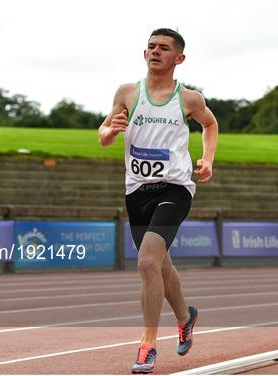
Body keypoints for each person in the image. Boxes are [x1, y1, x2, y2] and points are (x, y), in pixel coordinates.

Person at [98, 28, 218, 374]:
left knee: (148, 262)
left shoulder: (189, 99)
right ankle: (186, 316)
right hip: (137, 191)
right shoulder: (127, 93)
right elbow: (104, 136)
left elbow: (210, 125)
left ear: (178, 58)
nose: (155, 51)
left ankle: (147, 344)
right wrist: (111, 129)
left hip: (174, 189)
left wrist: (207, 158)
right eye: (151, 46)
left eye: (163, 48)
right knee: (161, 266)